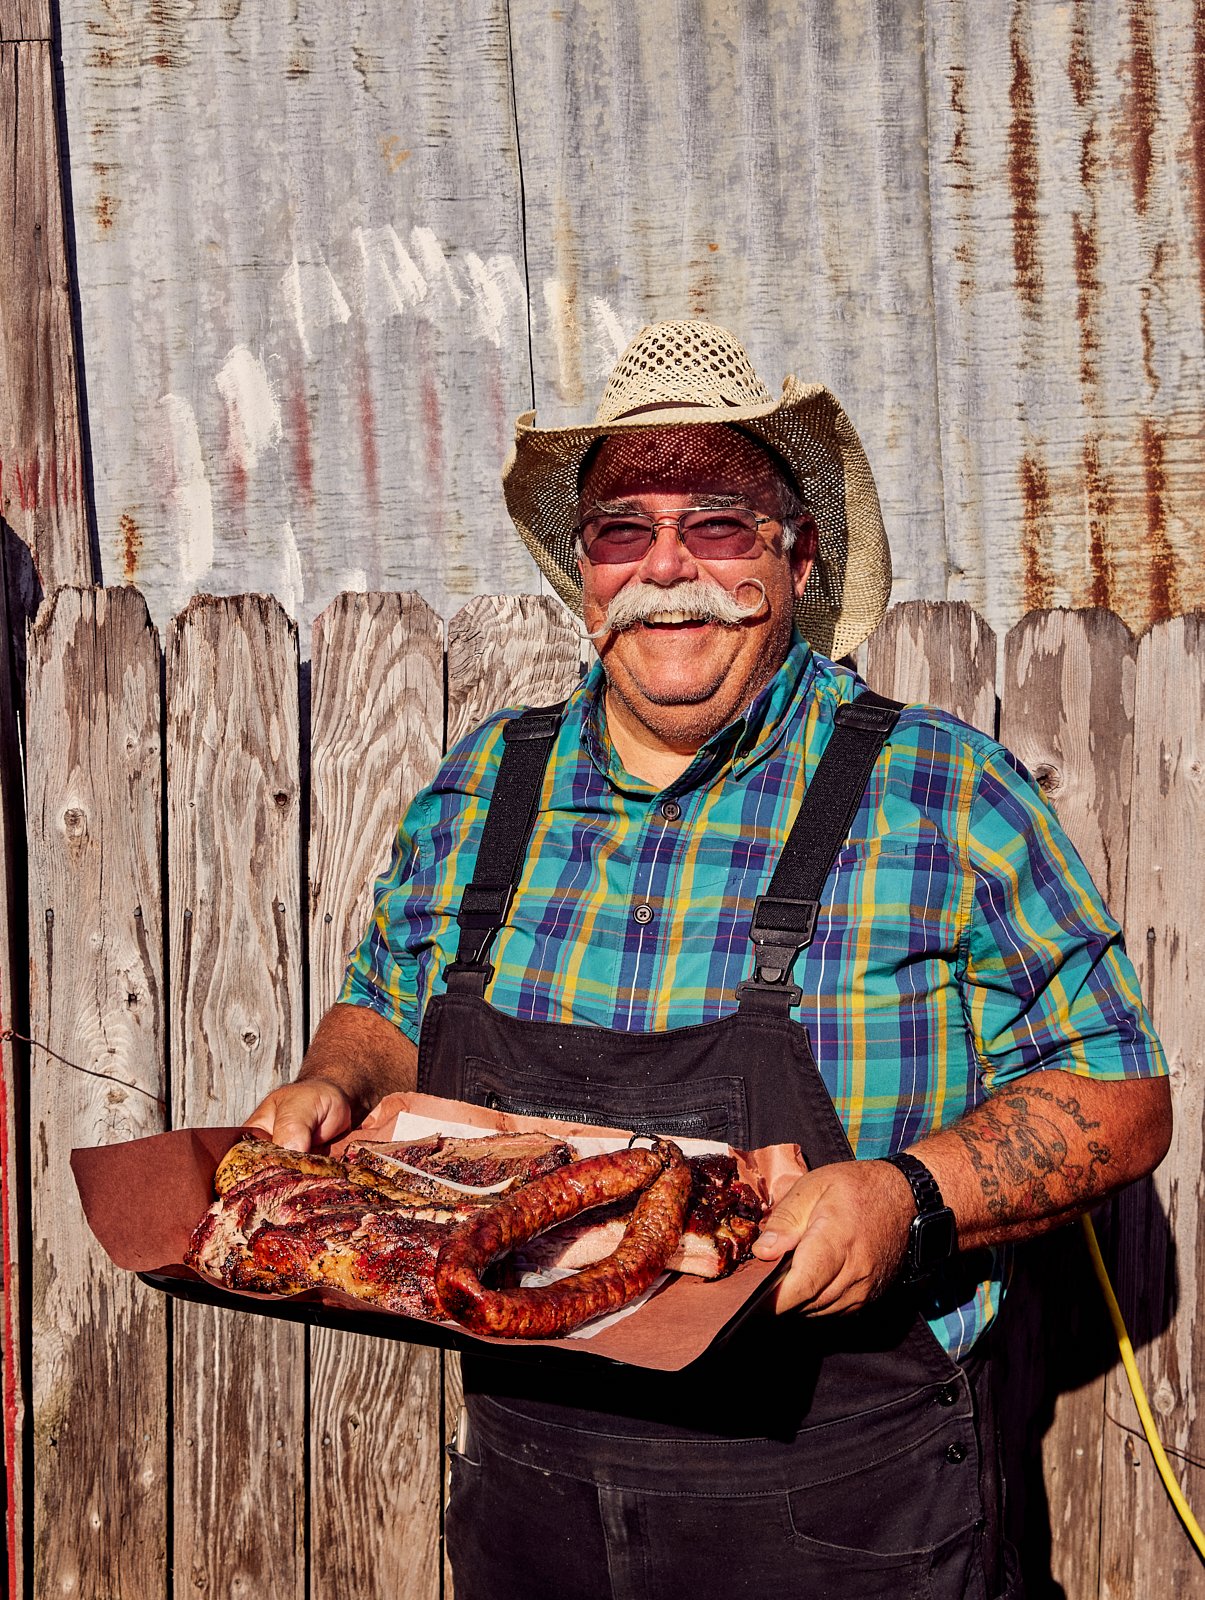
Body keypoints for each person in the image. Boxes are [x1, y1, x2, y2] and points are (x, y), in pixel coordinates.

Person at [248, 321, 1171, 1599]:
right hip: (531, 1494)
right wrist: (337, 1079)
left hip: (837, 1505)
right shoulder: (482, 786)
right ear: (584, 574)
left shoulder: (940, 790)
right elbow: (387, 1008)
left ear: (796, 555)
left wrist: (906, 1199)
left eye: (718, 523)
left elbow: (1114, 1095)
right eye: (621, 529)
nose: (666, 564)